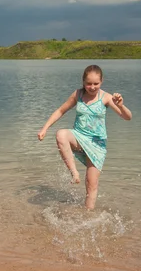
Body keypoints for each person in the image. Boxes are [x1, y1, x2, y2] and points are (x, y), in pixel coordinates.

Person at [37, 65, 132, 210]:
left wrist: (121, 105)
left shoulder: (106, 97)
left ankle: (88, 215)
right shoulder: (78, 95)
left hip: (97, 145)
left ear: (101, 82)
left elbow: (127, 117)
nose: (92, 87)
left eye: (96, 83)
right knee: (61, 134)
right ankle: (74, 173)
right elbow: (61, 110)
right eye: (88, 83)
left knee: (91, 185)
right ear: (83, 82)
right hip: (79, 138)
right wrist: (45, 128)